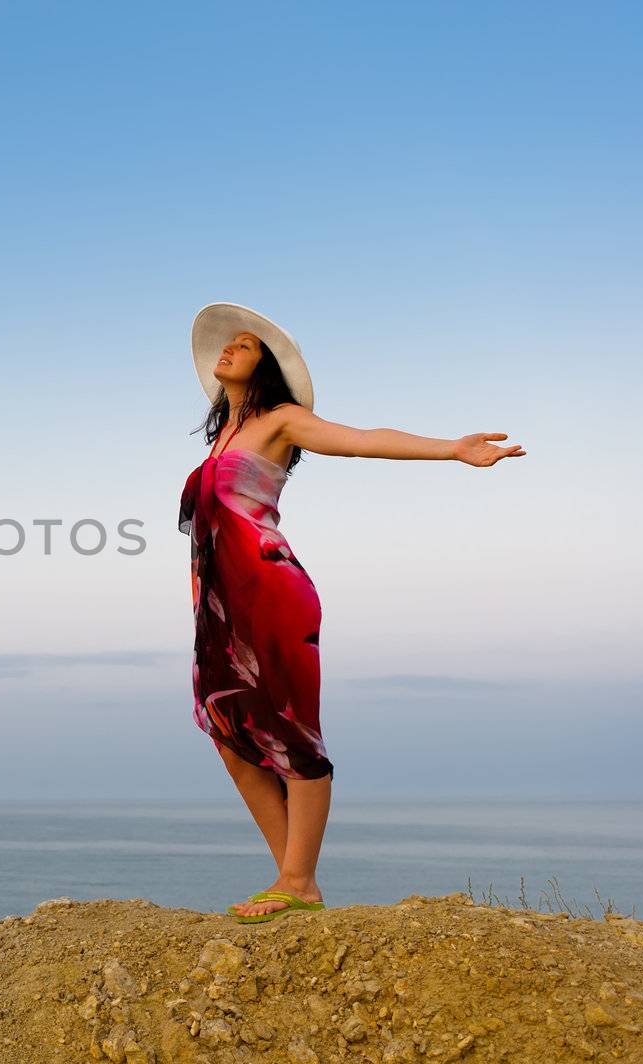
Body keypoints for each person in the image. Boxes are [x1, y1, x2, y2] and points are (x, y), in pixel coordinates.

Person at [177, 303, 525, 922]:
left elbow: (364, 441)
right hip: (219, 605)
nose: (229, 349)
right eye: (225, 345)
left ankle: (298, 880)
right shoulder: (219, 442)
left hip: (270, 592)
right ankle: (291, 876)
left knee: (290, 731)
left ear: (268, 368)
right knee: (229, 734)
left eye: (246, 345)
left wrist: (452, 449)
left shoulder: (283, 420)